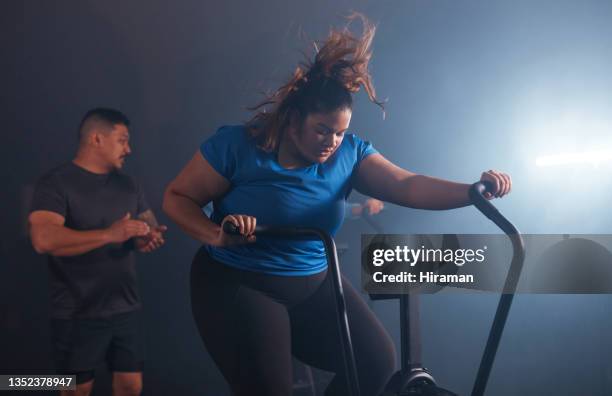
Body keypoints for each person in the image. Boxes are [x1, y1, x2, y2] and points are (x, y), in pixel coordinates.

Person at [162, 14, 511, 396]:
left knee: (375, 362)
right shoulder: (239, 146)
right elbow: (177, 198)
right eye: (323, 130)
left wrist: (472, 191)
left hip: (314, 281)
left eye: (340, 132)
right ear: (293, 122)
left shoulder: (349, 154)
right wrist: (215, 234)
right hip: (242, 282)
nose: (332, 141)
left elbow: (408, 185)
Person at [28, 108, 167, 396]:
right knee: (76, 390)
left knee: (131, 386)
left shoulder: (129, 184)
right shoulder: (56, 183)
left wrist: (148, 237)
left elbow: (147, 226)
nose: (129, 149)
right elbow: (43, 239)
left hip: (126, 308)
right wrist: (109, 234)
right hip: (77, 312)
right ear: (96, 139)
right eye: (122, 140)